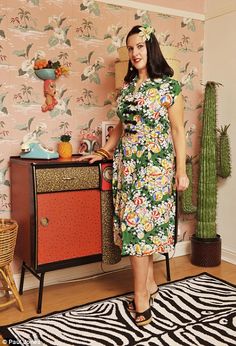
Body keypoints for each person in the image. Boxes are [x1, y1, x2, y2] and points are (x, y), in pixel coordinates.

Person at [77, 25, 189, 327]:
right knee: (136, 229)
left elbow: (178, 130)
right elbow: (121, 126)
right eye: (130, 48)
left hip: (154, 169)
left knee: (141, 232)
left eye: (140, 46)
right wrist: (103, 151)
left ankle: (141, 299)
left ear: (151, 48)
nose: (135, 53)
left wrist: (182, 171)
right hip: (127, 168)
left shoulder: (168, 86)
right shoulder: (127, 89)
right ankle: (150, 285)